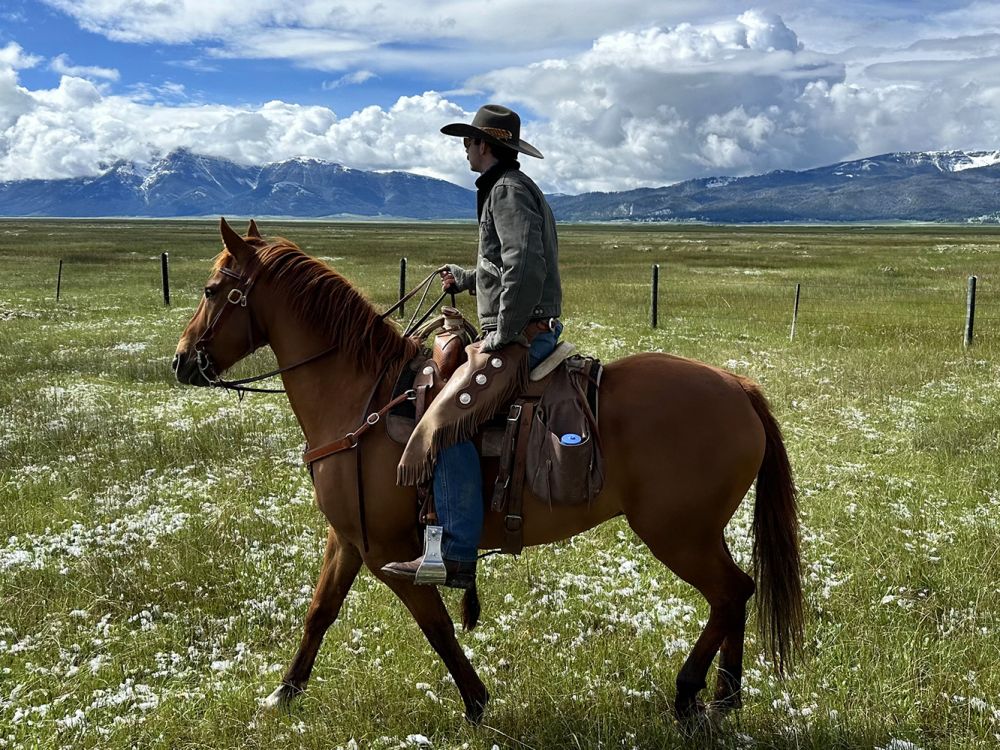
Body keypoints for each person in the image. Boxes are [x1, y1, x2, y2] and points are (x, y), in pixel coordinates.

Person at [382, 104, 563, 588]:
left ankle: (455, 556)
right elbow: (503, 264)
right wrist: (465, 279)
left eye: (468, 142)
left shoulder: (506, 191)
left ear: (485, 145)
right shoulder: (507, 189)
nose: (464, 149)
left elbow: (526, 265)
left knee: (449, 419)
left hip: (523, 335)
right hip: (520, 328)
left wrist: (503, 333)